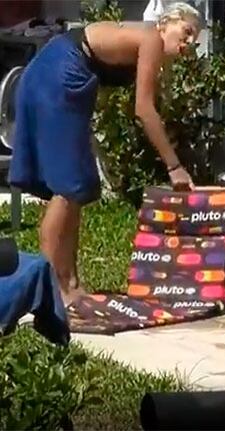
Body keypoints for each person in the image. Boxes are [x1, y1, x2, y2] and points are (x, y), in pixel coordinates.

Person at [9, 3, 200, 305]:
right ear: (167, 23)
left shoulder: (150, 50)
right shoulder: (151, 37)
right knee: (67, 187)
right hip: (58, 72)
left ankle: (71, 284)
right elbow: (144, 110)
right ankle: (50, 290)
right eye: (186, 31)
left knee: (76, 188)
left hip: (61, 74)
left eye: (194, 39)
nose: (189, 42)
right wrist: (174, 166)